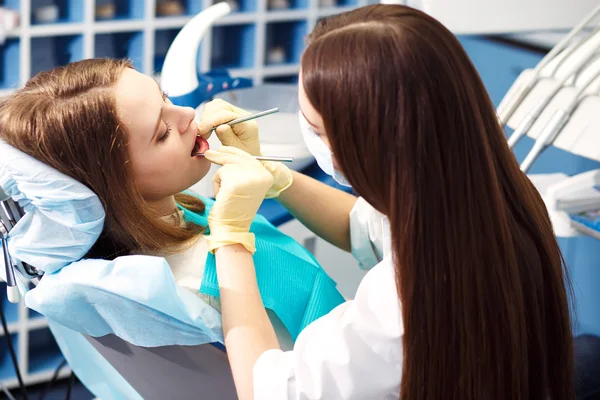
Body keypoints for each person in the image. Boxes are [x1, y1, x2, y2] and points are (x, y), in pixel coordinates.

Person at [196, 4, 576, 399]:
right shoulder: (487, 192)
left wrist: (230, 237)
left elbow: (266, 389)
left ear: (369, 146)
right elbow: (363, 225)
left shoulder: (400, 306)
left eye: (315, 129)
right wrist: (279, 179)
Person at [0, 57, 346, 351]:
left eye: (164, 96)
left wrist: (274, 176)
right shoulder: (197, 285)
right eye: (162, 132)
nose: (186, 114)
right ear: (114, 188)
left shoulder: (183, 214)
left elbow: (362, 226)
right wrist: (232, 238)